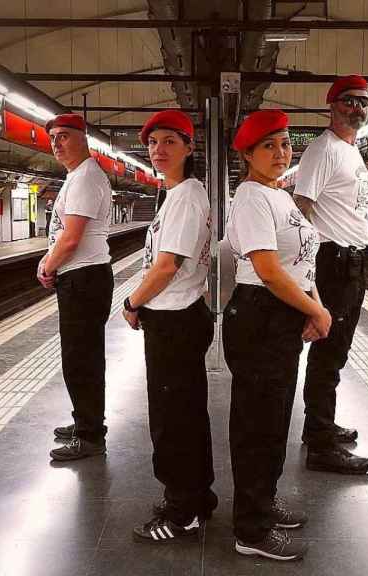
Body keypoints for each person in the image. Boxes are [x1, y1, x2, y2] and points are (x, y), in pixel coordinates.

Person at [224, 110, 331, 562]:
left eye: (285, 144)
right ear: (247, 155)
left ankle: (263, 502)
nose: (280, 153)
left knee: (275, 420)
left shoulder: (280, 195)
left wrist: (315, 303)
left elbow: (300, 260)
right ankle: (250, 529)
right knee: (257, 425)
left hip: (281, 315)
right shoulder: (251, 197)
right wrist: (317, 311)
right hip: (259, 317)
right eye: (268, 146)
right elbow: (267, 270)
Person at [120, 110, 217, 543]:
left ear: (189, 148)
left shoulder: (185, 198)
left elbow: (165, 266)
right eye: (153, 142)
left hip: (174, 319)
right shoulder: (179, 194)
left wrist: (131, 301)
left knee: (172, 420)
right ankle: (198, 497)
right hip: (180, 316)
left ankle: (182, 513)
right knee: (188, 415)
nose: (158, 150)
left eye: (169, 142)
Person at [292, 74, 368, 475]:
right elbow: (301, 208)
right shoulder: (323, 150)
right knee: (328, 354)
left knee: (336, 353)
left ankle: (319, 426)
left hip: (352, 262)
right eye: (348, 101)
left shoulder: (351, 151)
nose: (356, 108)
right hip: (333, 262)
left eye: (362, 102)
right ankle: (321, 445)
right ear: (332, 106)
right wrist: (303, 270)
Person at [37, 113, 114, 461]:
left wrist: (47, 266)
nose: (57, 144)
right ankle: (86, 420)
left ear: (83, 138)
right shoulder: (77, 176)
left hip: (83, 279)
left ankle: (90, 435)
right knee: (81, 358)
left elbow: (71, 239)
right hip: (82, 278)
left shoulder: (84, 178)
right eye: (53, 138)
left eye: (64, 136)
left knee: (80, 361)